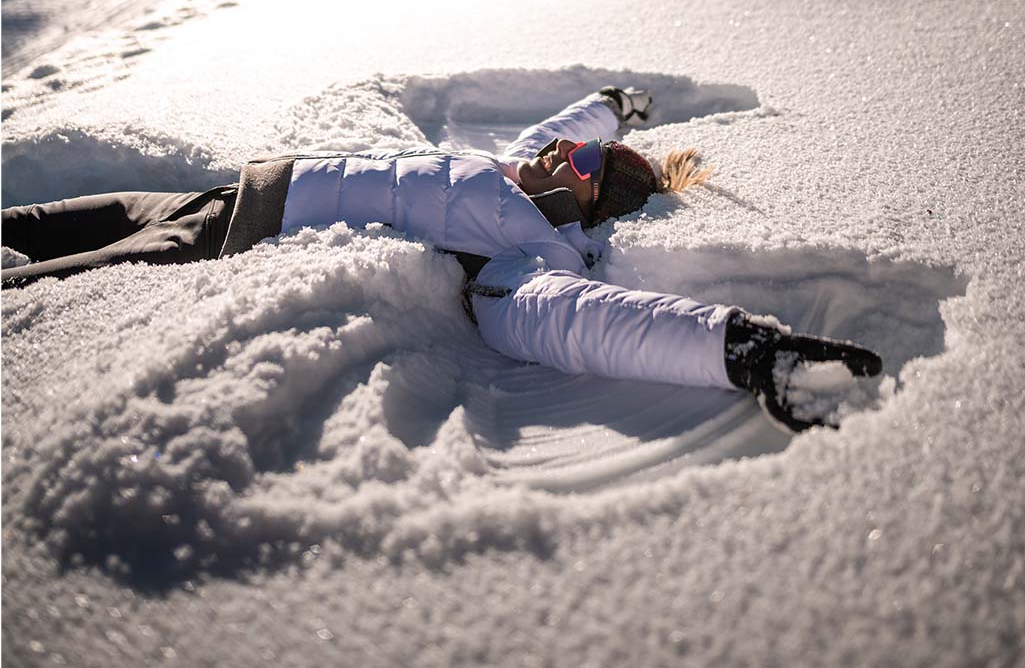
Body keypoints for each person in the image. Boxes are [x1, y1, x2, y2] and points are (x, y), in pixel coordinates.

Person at [1, 86, 881, 432]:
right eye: (564, 152)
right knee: (40, 219)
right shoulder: (520, 170)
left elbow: (582, 324)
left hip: (220, 239)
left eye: (577, 165)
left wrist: (739, 347)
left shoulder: (526, 256)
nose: (553, 154)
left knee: (34, 282)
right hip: (228, 191)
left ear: (587, 202)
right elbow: (558, 133)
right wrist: (612, 110)